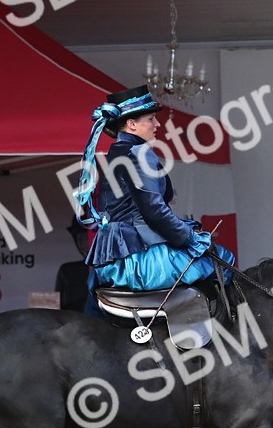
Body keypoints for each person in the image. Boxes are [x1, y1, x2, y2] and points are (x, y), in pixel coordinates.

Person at [74, 85, 234, 294]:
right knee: (222, 258)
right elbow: (154, 210)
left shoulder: (116, 152)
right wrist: (191, 238)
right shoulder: (139, 152)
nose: (157, 124)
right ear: (131, 124)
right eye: (151, 119)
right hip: (138, 257)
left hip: (113, 255)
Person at [54, 216, 92, 313]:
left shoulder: (111, 270)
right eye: (78, 238)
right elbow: (56, 309)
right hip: (72, 324)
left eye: (85, 237)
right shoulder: (67, 271)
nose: (82, 244)